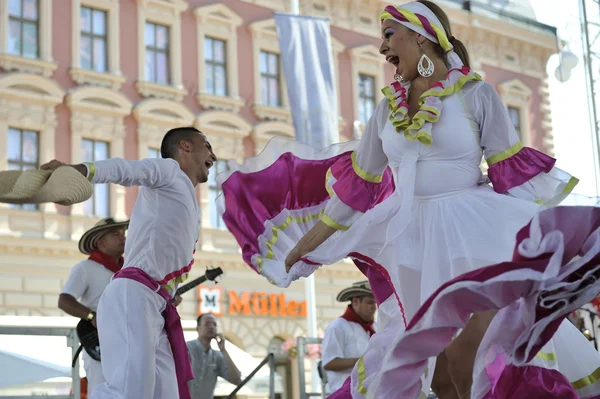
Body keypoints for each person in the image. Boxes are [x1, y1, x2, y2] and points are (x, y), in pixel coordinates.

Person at [214, 1, 600, 398]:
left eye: (387, 35)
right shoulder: (385, 110)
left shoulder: (475, 95)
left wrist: (549, 245)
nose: (382, 49)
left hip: (475, 236)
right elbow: (356, 190)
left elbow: (511, 174)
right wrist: (307, 245)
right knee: (440, 373)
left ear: (421, 35)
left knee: (473, 358)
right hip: (412, 243)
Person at [41, 126, 216, 399]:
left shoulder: (188, 200)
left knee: (164, 391)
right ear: (185, 146)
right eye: (207, 145)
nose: (213, 155)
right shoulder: (169, 171)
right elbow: (125, 169)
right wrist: (77, 171)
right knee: (130, 392)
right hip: (134, 295)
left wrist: (168, 292)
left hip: (152, 303)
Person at [59, 217, 128, 393]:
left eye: (123, 233)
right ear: (100, 242)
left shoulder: (129, 270)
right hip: (100, 342)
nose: (123, 237)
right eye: (115, 234)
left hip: (127, 340)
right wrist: (92, 317)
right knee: (100, 390)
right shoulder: (85, 268)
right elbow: (65, 300)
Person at [322, 281, 377, 392]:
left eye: (375, 303)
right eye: (370, 303)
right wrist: (364, 361)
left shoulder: (377, 327)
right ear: (356, 302)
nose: (374, 308)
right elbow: (329, 363)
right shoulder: (338, 326)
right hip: (344, 392)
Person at [187, 314, 242, 399]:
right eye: (207, 324)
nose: (212, 327)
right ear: (198, 329)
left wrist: (223, 350)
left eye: (214, 324)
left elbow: (237, 380)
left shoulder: (217, 356)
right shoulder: (186, 348)